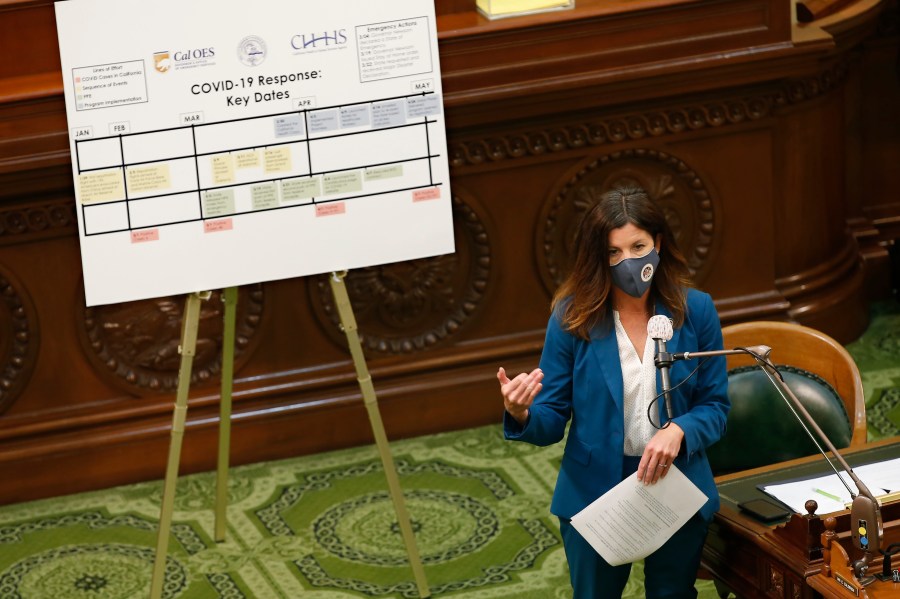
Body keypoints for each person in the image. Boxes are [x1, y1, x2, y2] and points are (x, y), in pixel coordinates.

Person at [497, 185, 729, 599]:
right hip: (595, 492)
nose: (629, 261)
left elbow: (715, 406)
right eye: (614, 253)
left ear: (657, 243)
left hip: (676, 484)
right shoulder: (572, 317)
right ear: (598, 258)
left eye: (638, 246)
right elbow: (551, 419)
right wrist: (522, 415)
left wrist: (679, 431)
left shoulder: (695, 310)